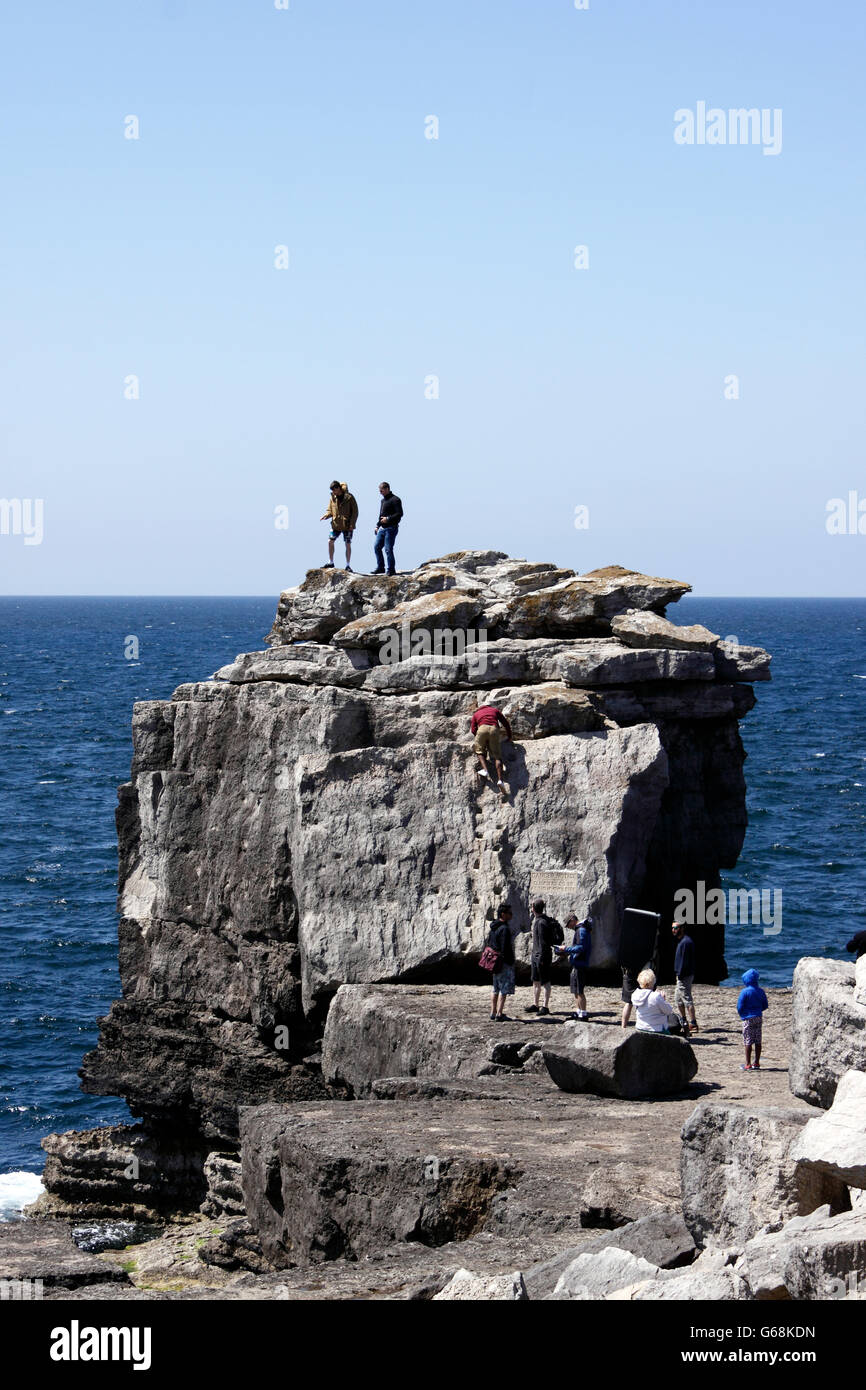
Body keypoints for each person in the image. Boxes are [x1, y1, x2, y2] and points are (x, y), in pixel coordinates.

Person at [554, 914, 593, 1020]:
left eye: (568, 924)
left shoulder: (581, 930)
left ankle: (583, 1014)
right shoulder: (581, 930)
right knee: (575, 990)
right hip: (577, 964)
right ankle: (579, 1011)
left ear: (573, 920)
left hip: (580, 964)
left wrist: (565, 949)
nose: (568, 927)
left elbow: (581, 948)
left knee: (579, 990)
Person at [470, 701, 512, 799]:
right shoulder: (494, 710)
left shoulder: (476, 714)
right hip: (494, 729)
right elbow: (505, 723)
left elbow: (473, 729)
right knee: (497, 756)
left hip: (482, 729)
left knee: (479, 751)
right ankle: (500, 780)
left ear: (481, 707)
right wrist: (509, 736)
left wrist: (481, 739)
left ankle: (485, 770)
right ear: (489, 706)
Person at [525, 899, 559, 1016]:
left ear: (533, 908)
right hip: (537, 955)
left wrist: (541, 957)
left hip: (542, 956)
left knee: (545, 981)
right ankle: (535, 1004)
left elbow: (544, 943)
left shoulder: (541, 922)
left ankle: (545, 1006)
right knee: (536, 981)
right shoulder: (540, 920)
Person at [320, 481, 358, 571]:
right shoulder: (332, 497)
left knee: (347, 544)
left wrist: (352, 524)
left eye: (334, 490)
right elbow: (330, 510)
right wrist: (327, 515)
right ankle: (331, 562)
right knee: (330, 541)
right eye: (332, 490)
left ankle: (348, 565)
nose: (333, 492)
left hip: (347, 525)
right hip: (336, 524)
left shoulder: (349, 497)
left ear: (338, 488)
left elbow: (355, 512)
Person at [488, 904, 517, 1022]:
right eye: (509, 913)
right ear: (503, 914)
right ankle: (499, 1013)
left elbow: (490, 943)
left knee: (495, 988)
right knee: (503, 989)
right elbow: (505, 948)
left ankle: (492, 1012)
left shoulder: (494, 927)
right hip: (503, 962)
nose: (511, 915)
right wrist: (510, 961)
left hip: (493, 961)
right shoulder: (504, 928)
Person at [736, 968, 769, 1071]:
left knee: (748, 1040)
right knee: (758, 1040)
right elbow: (765, 1005)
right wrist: (758, 1010)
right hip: (758, 1017)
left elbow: (739, 1006)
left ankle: (748, 1064)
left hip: (748, 1018)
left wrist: (743, 1015)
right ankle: (757, 1062)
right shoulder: (760, 991)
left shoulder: (744, 992)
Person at [631, 969, 680, 1034]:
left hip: (640, 1027)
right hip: (656, 1029)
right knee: (674, 1021)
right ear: (653, 981)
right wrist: (663, 999)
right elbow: (668, 1011)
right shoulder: (656, 996)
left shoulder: (635, 994)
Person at [671, 922, 698, 1035]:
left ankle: (693, 1023)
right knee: (678, 999)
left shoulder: (686, 942)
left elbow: (684, 961)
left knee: (686, 998)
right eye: (672, 928)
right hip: (682, 975)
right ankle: (684, 1020)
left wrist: (680, 975)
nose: (673, 930)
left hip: (684, 976)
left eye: (675, 928)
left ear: (682, 928)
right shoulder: (683, 941)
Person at [372, 482, 403, 576]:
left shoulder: (395, 499)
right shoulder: (383, 501)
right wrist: (377, 525)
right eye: (379, 490)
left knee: (388, 549)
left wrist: (388, 519)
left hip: (391, 528)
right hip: (382, 528)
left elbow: (400, 513)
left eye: (381, 490)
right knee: (377, 547)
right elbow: (381, 515)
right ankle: (381, 567)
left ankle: (391, 569)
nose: (380, 492)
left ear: (387, 489)